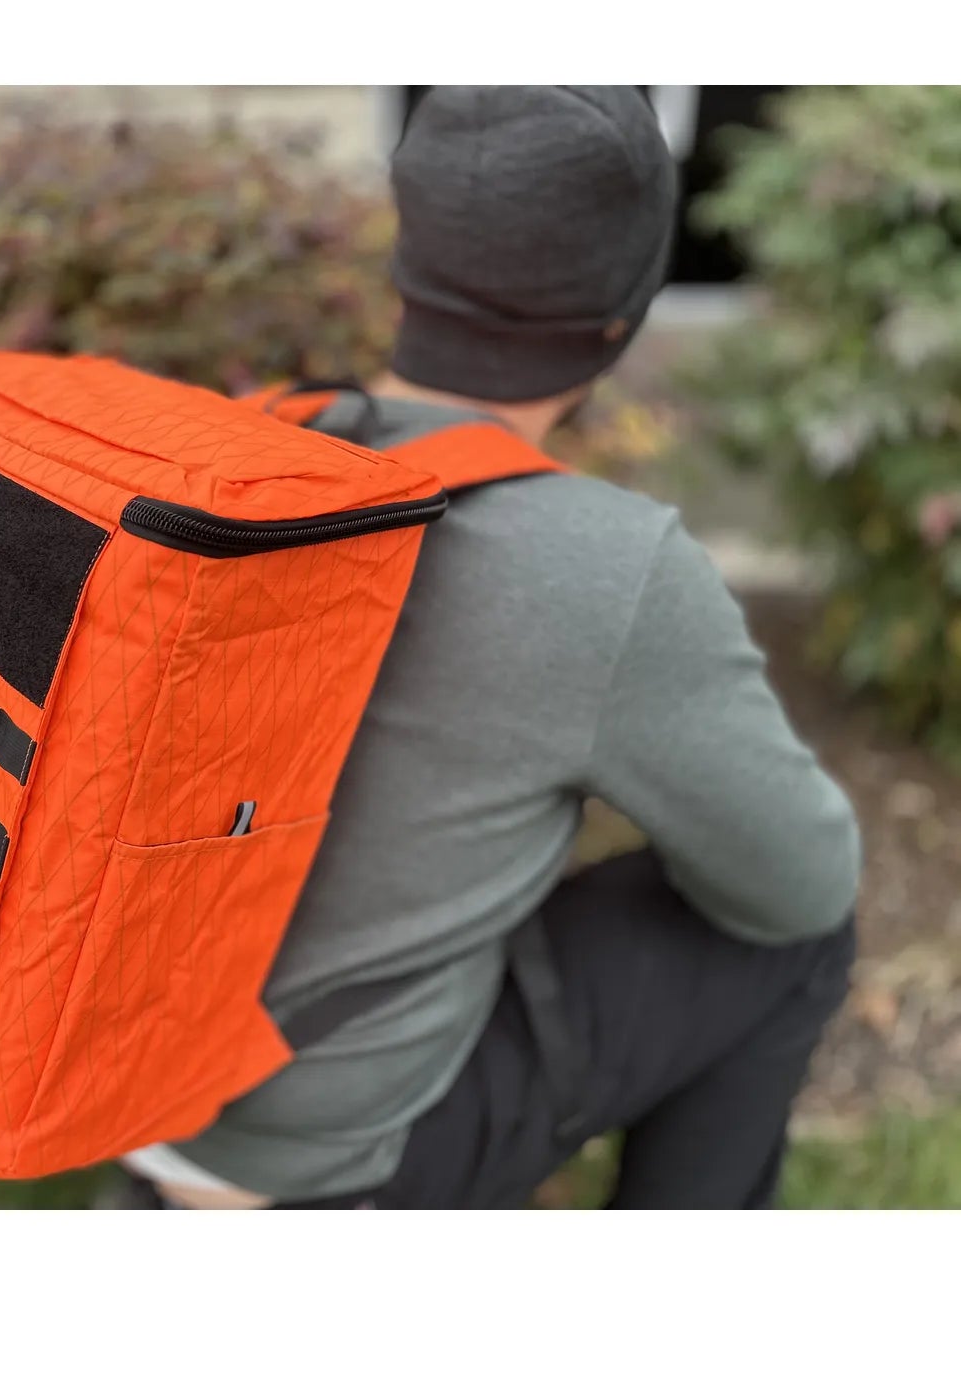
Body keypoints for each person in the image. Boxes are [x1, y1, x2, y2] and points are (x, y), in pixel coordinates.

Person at [115, 85, 861, 1210]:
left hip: (124, 1083)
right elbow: (799, 882)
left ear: (407, 267)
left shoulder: (235, 460)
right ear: (624, 315)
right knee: (794, 940)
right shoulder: (601, 567)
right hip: (336, 1172)